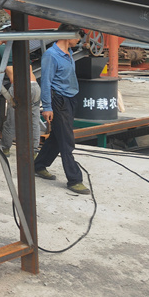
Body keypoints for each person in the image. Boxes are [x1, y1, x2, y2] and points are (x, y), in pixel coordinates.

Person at [34, 25, 90, 194]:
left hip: (70, 99)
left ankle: (39, 165)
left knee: (57, 137)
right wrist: (47, 107)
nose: (79, 40)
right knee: (67, 140)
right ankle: (74, 179)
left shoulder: (69, 52)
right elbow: (45, 82)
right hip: (58, 100)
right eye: (77, 36)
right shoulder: (51, 55)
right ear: (67, 35)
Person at [0, 35, 41, 158]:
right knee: (34, 120)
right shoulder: (23, 49)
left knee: (12, 120)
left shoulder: (2, 48)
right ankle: (34, 151)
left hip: (19, 87)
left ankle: (5, 148)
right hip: (34, 86)